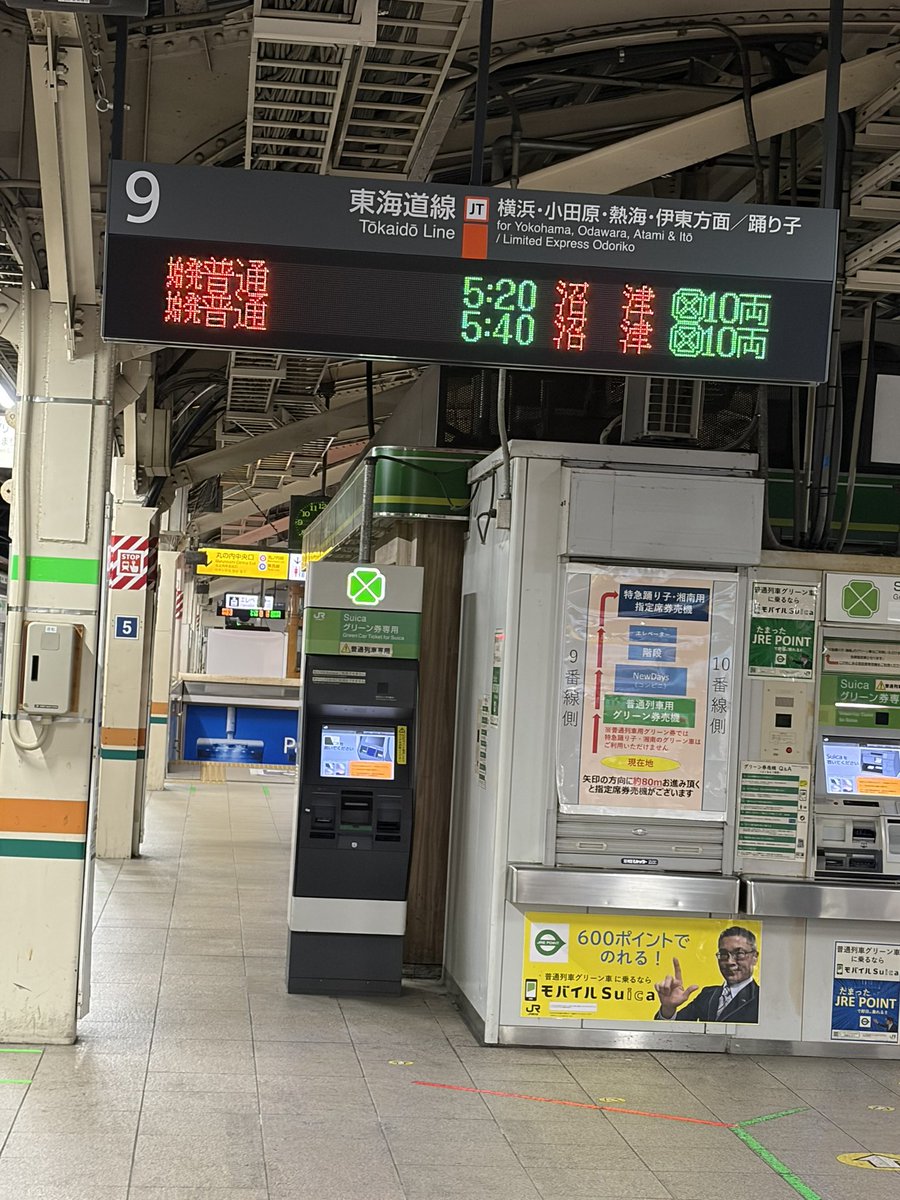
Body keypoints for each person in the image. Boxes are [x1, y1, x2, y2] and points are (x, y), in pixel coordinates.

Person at [654, 926, 759, 1023]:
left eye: (739, 954)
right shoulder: (707, 994)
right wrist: (668, 1009)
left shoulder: (761, 999)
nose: (729, 962)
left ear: (755, 957)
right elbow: (675, 1030)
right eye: (723, 954)